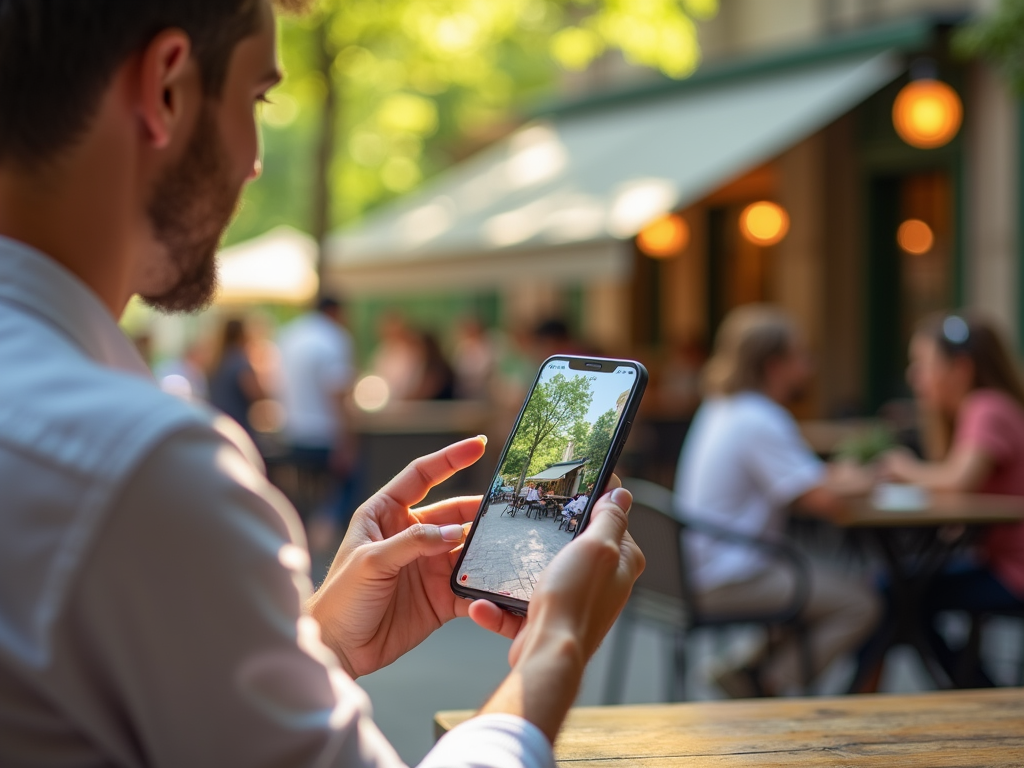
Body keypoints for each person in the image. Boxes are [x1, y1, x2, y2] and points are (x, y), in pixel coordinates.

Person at [0, 3, 645, 767]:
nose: (254, 162)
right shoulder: (137, 465)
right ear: (166, 88)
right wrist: (556, 648)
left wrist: (319, 646)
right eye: (256, 99)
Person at [675, 304, 880, 697]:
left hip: (694, 571)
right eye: (801, 355)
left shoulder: (721, 407)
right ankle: (770, 684)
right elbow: (819, 499)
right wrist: (871, 479)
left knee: (818, 586)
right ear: (774, 364)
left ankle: (745, 670)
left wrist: (840, 478)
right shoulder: (759, 417)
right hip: (727, 577)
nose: (811, 366)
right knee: (862, 603)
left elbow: (803, 482)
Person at [878, 312, 1024, 686]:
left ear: (960, 368)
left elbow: (957, 481)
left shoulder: (986, 406)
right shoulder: (984, 407)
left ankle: (977, 692)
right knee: (900, 589)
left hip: (1014, 573)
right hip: (1001, 563)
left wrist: (904, 467)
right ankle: (976, 690)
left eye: (923, 364)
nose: (915, 376)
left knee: (896, 591)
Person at [277, 295, 357, 539]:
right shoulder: (333, 338)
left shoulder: (288, 335)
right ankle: (327, 523)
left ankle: (305, 526)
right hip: (323, 435)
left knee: (303, 491)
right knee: (354, 477)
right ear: (335, 311)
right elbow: (337, 394)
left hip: (293, 433)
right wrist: (347, 439)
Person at [209, 317, 265, 439]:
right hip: (238, 426)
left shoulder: (215, 362)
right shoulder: (240, 362)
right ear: (243, 334)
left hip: (218, 423)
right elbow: (257, 394)